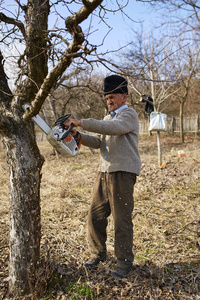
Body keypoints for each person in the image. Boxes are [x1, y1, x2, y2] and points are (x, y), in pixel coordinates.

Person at [64, 75, 141, 278]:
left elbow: (114, 130)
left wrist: (81, 122)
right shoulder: (107, 118)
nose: (109, 101)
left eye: (112, 97)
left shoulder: (129, 115)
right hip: (103, 172)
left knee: (121, 219)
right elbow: (99, 141)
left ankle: (124, 262)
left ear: (124, 97)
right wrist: (78, 136)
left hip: (122, 173)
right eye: (107, 98)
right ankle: (98, 253)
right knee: (95, 215)